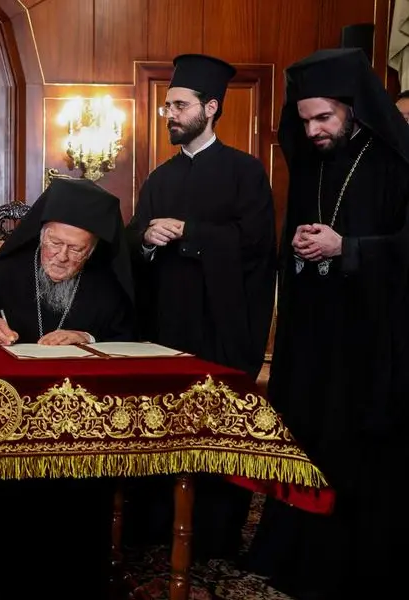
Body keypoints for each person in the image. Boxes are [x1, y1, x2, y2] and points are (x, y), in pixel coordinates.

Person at [245, 48, 409, 599]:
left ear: (353, 109)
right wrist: (298, 251)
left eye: (324, 118)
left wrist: (350, 249)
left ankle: (351, 569)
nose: (313, 130)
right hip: (314, 337)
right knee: (307, 439)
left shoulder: (393, 162)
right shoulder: (311, 163)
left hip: (371, 340)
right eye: (305, 119)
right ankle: (294, 557)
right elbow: (300, 241)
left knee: (356, 453)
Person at [124, 53, 277, 561]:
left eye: (179, 105)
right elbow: (133, 243)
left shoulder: (245, 172)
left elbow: (256, 244)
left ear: (209, 108)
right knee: (161, 427)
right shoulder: (159, 178)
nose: (168, 113)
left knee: (214, 429)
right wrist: (146, 236)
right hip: (164, 328)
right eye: (167, 105)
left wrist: (190, 235)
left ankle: (215, 536)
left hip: (220, 329)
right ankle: (153, 528)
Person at [0, 178, 135, 599]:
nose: (61, 256)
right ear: (42, 232)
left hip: (81, 424)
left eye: (76, 249)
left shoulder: (108, 283)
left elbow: (132, 342)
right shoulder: (9, 270)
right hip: (9, 418)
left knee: (82, 496)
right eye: (54, 243)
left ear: (92, 249)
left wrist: (86, 338)